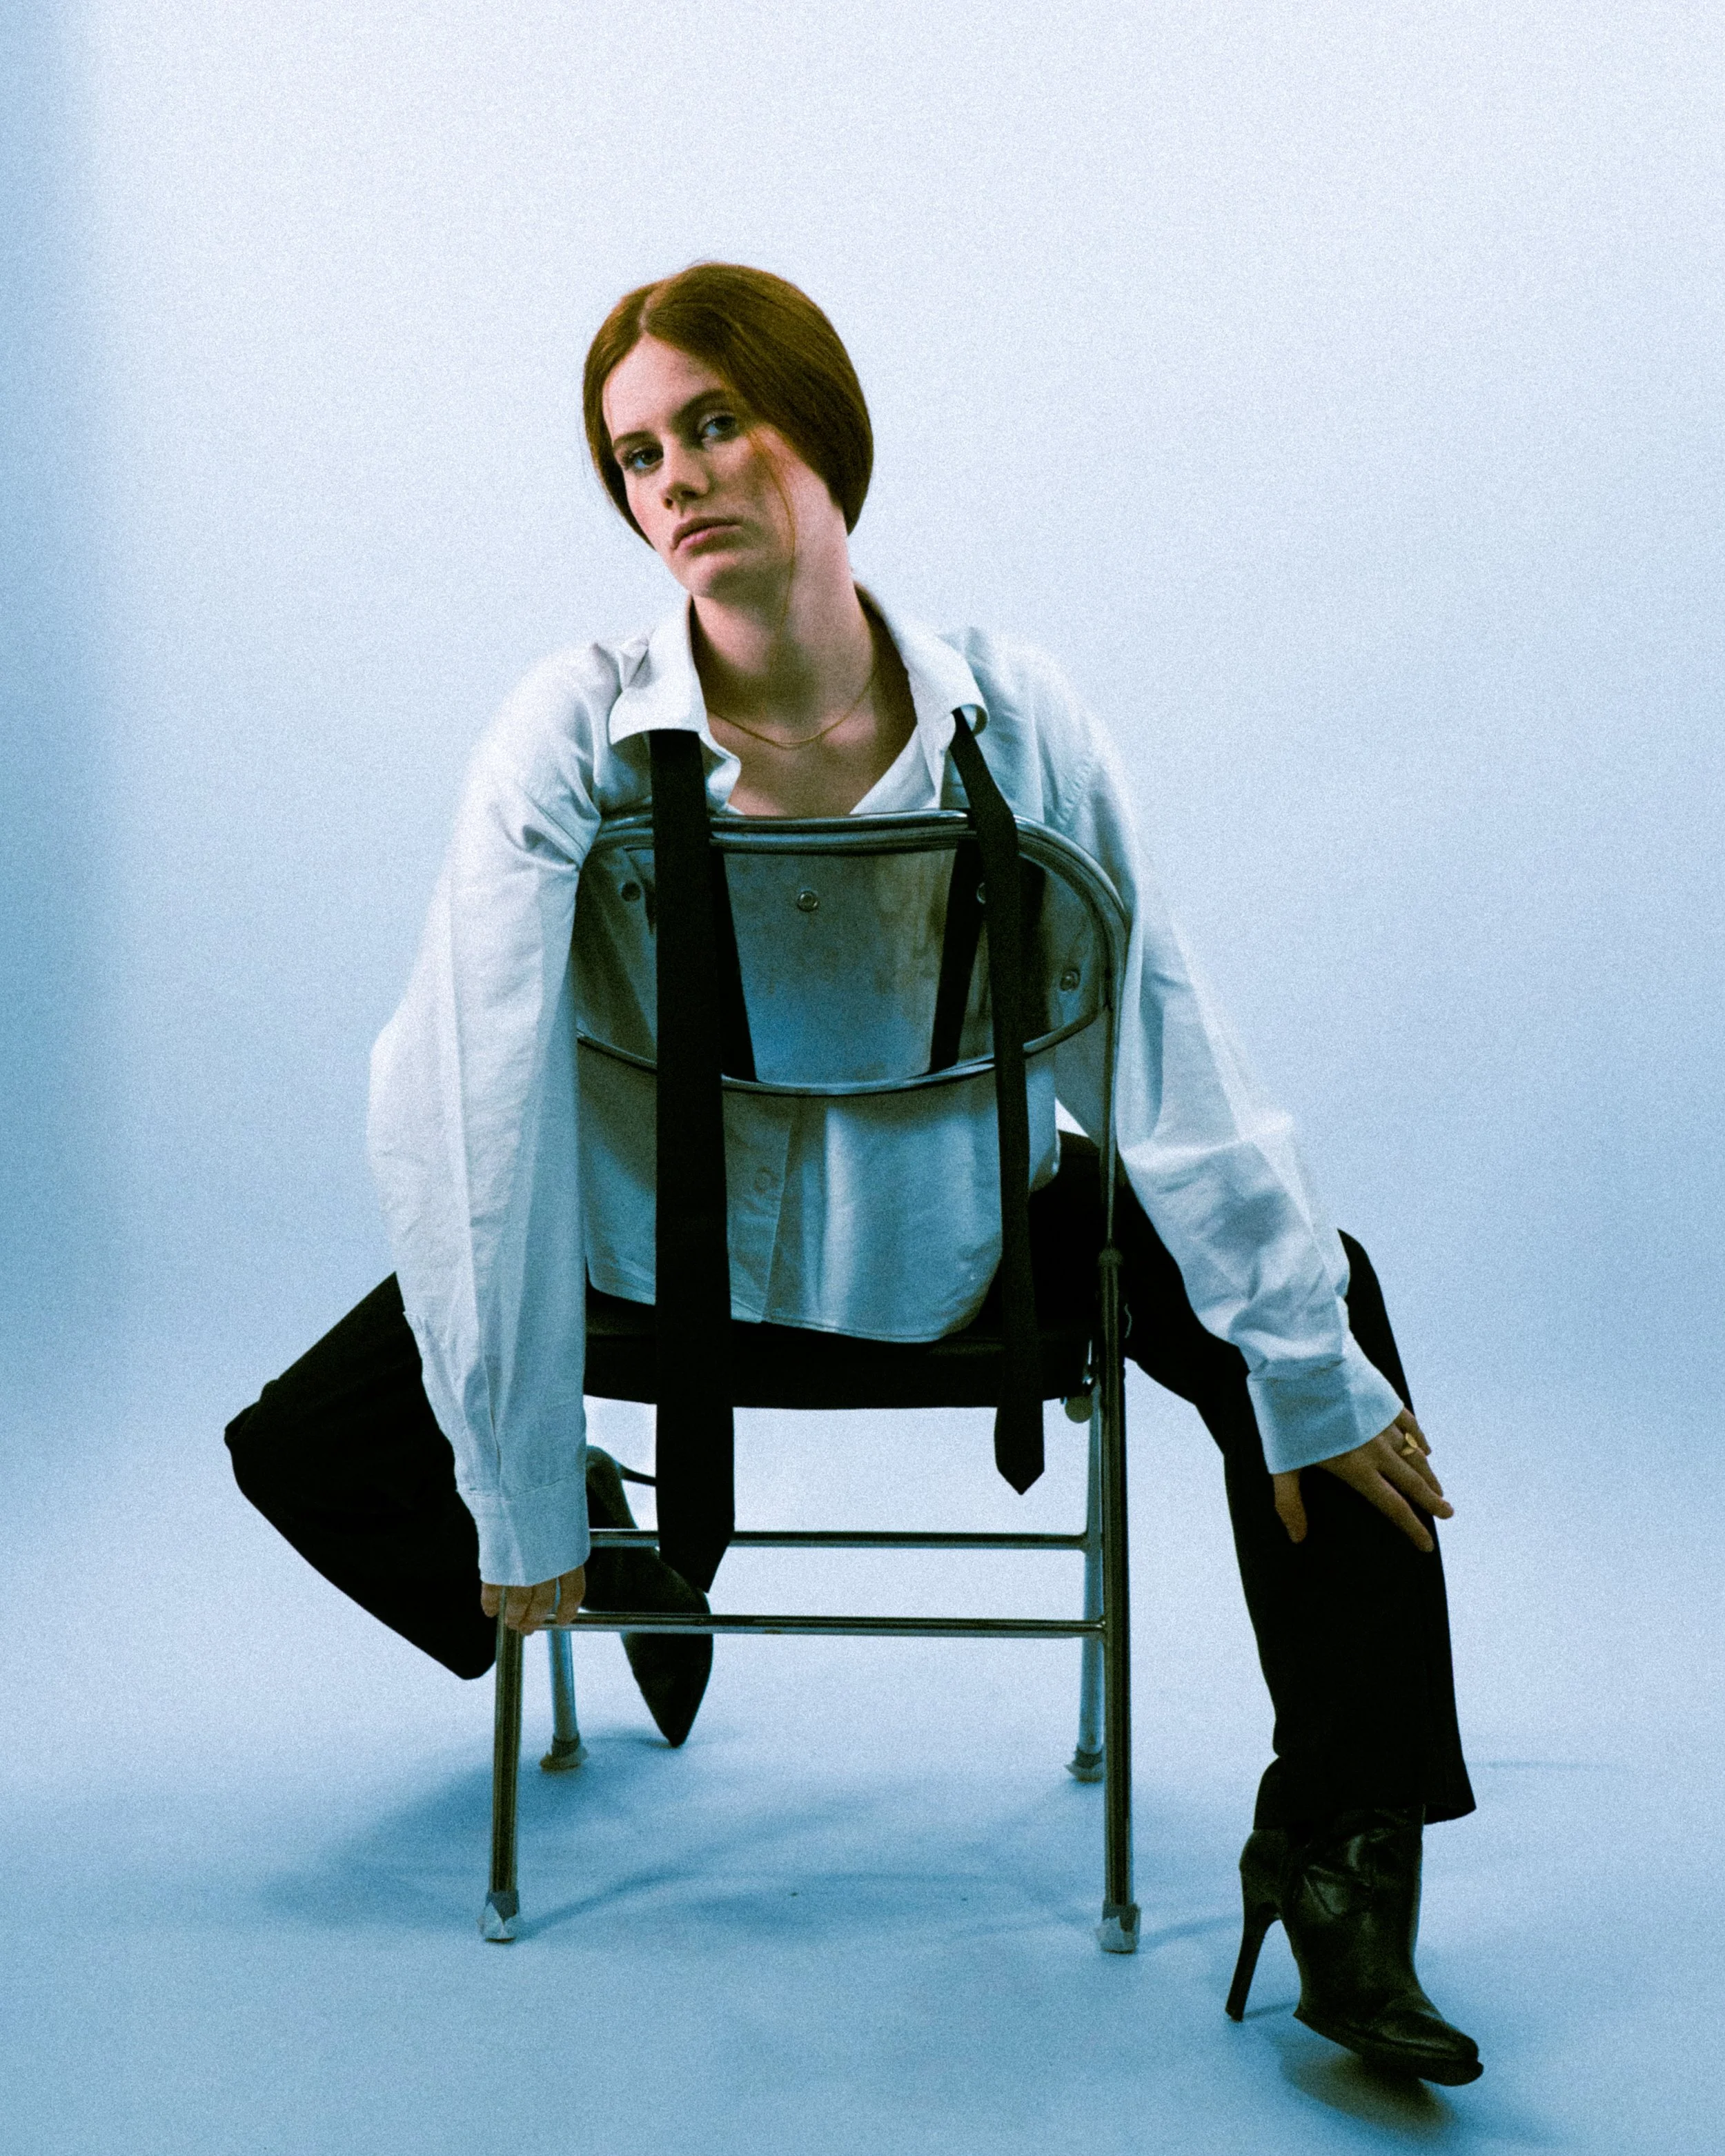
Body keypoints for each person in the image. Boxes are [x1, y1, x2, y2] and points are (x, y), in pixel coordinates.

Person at [226, 263, 1481, 2085]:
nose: (676, 476)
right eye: (637, 452)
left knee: (1327, 1320)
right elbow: (463, 1091)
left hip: (947, 1242)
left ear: (822, 430)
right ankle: (619, 1537)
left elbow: (1159, 1035)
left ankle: (1343, 1854)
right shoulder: (570, 725)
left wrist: (1295, 1367)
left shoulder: (1012, 714)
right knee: (306, 1446)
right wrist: (515, 1480)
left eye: (714, 421)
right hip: (642, 1258)